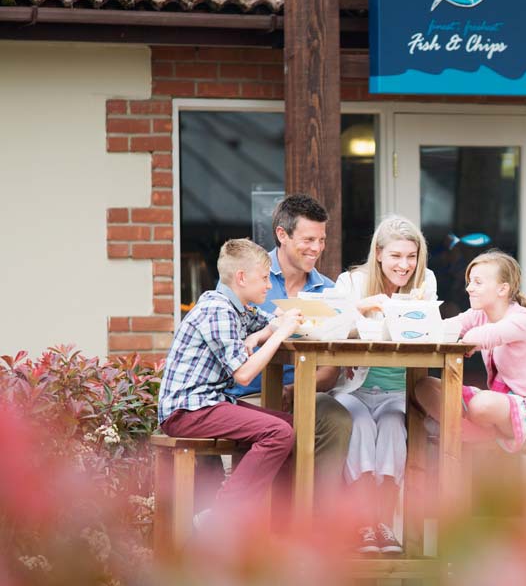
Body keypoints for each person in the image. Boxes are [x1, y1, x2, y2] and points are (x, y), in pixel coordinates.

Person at [158, 239, 303, 515]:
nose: (269, 285)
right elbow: (245, 375)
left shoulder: (238, 308)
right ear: (241, 277)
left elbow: (272, 321)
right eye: (264, 278)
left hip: (209, 404)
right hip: (187, 409)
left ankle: (277, 529)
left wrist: (268, 330)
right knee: (278, 432)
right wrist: (281, 333)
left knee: (290, 427)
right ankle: (222, 516)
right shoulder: (218, 310)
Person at [225, 194, 351, 493]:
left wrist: (293, 391)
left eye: (321, 240)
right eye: (308, 239)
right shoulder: (245, 278)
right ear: (282, 234)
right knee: (269, 431)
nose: (317, 248)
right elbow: (227, 346)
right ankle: (243, 521)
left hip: (302, 395)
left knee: (337, 417)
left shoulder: (330, 292)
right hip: (247, 396)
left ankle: (320, 523)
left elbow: (331, 368)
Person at [330, 215, 437, 554]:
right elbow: (328, 327)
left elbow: (425, 332)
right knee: (359, 425)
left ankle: (385, 525)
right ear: (378, 253)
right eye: (396, 256)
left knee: (392, 427)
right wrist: (364, 308)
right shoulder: (350, 282)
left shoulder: (425, 281)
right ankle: (365, 525)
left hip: (397, 392)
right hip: (354, 389)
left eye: (411, 256)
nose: (404, 265)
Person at [415, 249, 526, 453]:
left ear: (502, 289)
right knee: (424, 387)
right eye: (469, 282)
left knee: (482, 405)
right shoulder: (479, 314)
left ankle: (468, 434)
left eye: (478, 282)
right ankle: (476, 433)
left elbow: (482, 337)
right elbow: (443, 329)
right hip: (501, 407)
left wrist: (464, 342)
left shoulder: (522, 319)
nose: (469, 288)